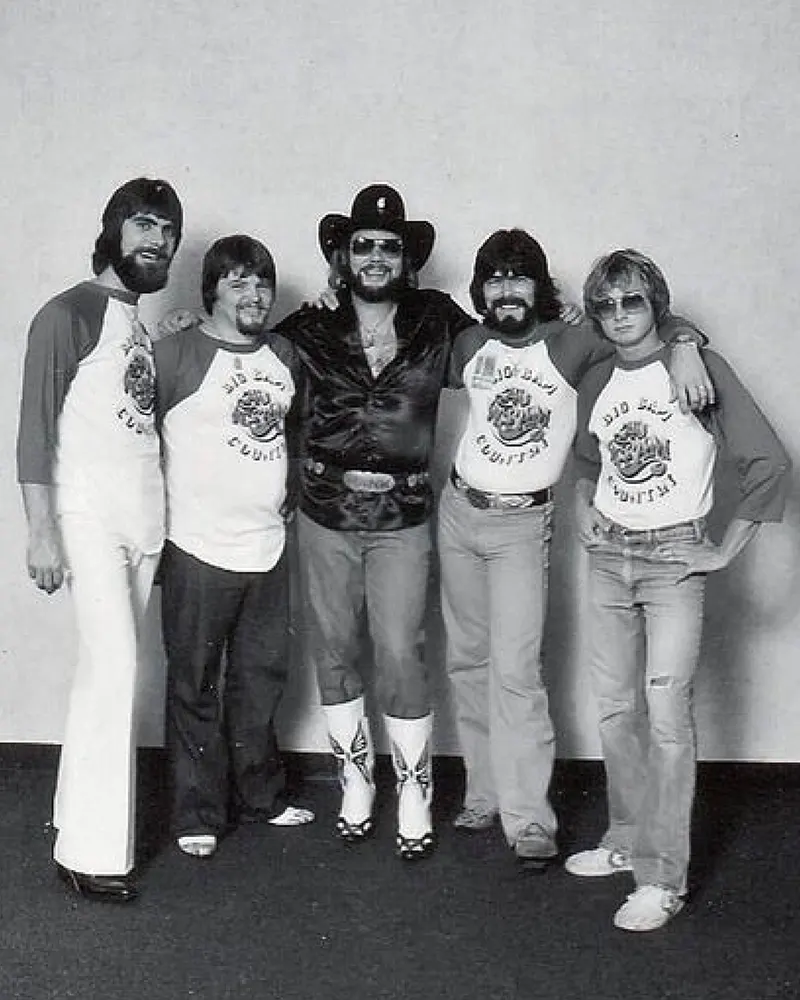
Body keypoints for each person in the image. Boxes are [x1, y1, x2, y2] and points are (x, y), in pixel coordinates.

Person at [437, 229, 714, 870]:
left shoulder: (572, 341)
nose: (507, 290)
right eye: (495, 279)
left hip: (520, 522)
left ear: (541, 286)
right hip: (458, 511)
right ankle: (484, 792)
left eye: (519, 277)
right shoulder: (469, 343)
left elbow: (652, 323)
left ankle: (529, 819)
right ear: (480, 290)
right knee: (467, 660)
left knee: (516, 670)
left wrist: (686, 346)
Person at [564, 249, 790, 930]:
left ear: (656, 304)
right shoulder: (597, 376)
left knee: (667, 719)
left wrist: (722, 551)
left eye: (631, 301)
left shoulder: (699, 368)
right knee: (615, 709)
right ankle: (627, 838)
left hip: (672, 561)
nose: (618, 315)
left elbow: (770, 464)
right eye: (605, 305)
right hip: (608, 559)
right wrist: (583, 503)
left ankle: (663, 878)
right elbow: (586, 459)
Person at [276, 184, 479, 861]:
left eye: (389, 247)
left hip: (403, 513)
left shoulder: (438, 320)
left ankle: (415, 790)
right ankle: (355, 781)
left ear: (406, 259)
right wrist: (185, 328)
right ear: (343, 255)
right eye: (363, 244)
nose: (375, 256)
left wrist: (679, 337)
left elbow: (512, 352)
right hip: (325, 510)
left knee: (400, 650)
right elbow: (237, 361)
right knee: (334, 649)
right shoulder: (308, 327)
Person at [17, 177, 183, 902]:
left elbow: (126, 414)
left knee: (103, 675)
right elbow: (34, 430)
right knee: (115, 671)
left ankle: (71, 819)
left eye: (168, 232)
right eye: (144, 225)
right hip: (86, 518)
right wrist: (42, 532)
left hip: (143, 520)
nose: (157, 241)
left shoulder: (136, 324)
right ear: (114, 231)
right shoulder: (66, 313)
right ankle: (93, 855)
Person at [154, 235, 313, 861]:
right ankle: (197, 812)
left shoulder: (284, 355)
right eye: (238, 282)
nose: (255, 294)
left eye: (263, 282)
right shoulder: (175, 352)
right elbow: (134, 436)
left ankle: (261, 796)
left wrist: (286, 494)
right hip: (197, 545)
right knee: (195, 683)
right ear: (211, 291)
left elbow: (297, 434)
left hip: (267, 546)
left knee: (260, 680)